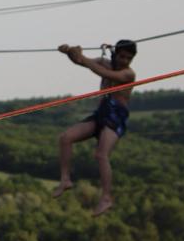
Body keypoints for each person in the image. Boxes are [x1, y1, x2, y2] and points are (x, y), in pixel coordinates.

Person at [53, 40, 137, 216]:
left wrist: (81, 55)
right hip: (101, 113)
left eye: (128, 58)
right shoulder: (104, 62)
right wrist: (69, 52)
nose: (124, 61)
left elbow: (101, 71)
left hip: (116, 117)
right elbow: (80, 61)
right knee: (65, 138)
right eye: (122, 57)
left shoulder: (128, 74)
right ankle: (65, 179)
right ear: (115, 54)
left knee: (101, 154)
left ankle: (106, 198)